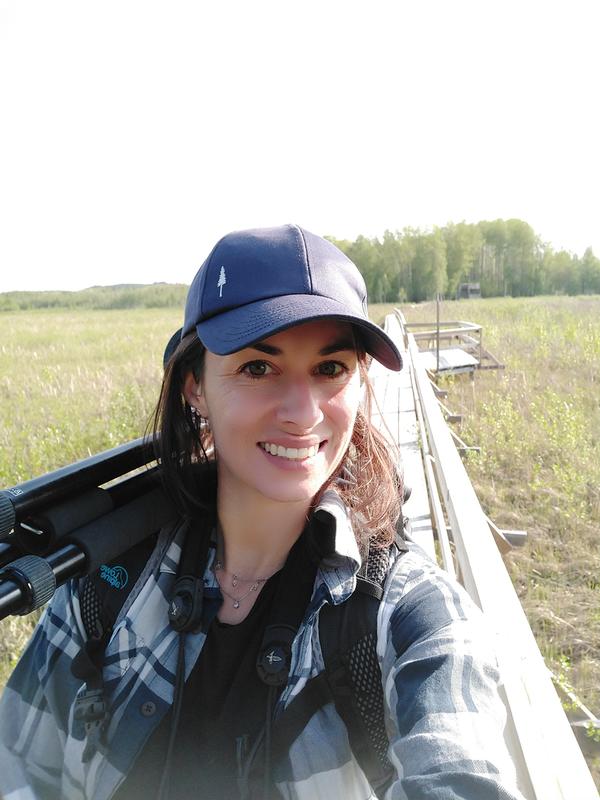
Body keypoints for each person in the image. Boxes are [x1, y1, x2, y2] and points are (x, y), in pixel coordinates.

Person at [0, 224, 525, 800]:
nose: (302, 414)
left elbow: (460, 774)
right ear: (194, 386)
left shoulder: (409, 616)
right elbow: (17, 765)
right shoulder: (109, 576)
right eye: (258, 368)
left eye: (330, 369)